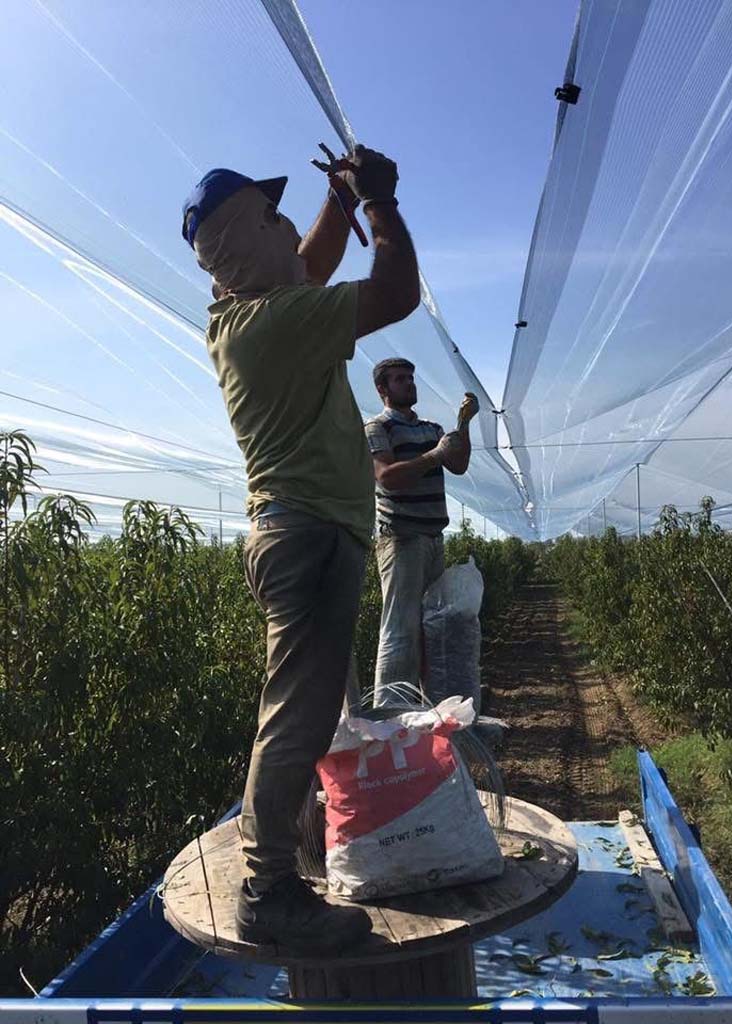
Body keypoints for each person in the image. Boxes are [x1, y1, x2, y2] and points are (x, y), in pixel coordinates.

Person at [181, 146, 420, 954]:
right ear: (251, 240)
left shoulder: (242, 315)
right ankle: (269, 891)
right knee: (297, 720)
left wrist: (336, 200)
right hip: (310, 534)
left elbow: (305, 264)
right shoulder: (280, 321)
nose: (291, 228)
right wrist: (379, 203)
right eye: (274, 216)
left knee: (308, 712)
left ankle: (301, 853)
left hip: (301, 532)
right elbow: (395, 292)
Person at [364, 362, 479, 704]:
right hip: (402, 538)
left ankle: (428, 709)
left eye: (411, 378)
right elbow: (387, 476)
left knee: (432, 626)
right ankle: (392, 713)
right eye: (400, 379)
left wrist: (464, 425)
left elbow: (458, 464)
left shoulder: (431, 429)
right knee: (400, 630)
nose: (409, 384)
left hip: (431, 538)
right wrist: (434, 455)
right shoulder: (377, 427)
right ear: (382, 389)